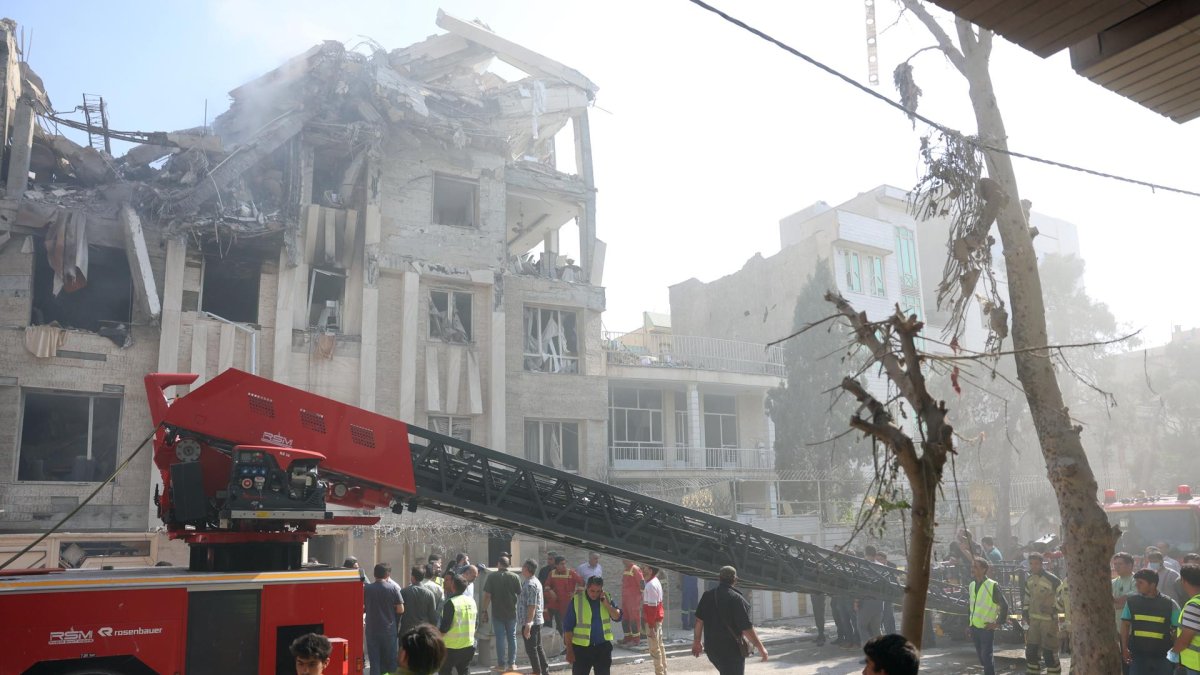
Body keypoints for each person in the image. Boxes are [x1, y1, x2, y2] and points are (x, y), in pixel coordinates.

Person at [692, 566, 768, 675]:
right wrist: (761, 648)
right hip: (731, 651)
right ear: (735, 579)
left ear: (719, 578)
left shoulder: (707, 596)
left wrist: (697, 642)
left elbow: (699, 622)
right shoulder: (737, 599)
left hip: (712, 649)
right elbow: (746, 628)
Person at [1120, 567, 1179, 675]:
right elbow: (1125, 625)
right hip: (1138, 657)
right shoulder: (1131, 602)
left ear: (1152, 584)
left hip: (1163, 657)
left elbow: (1177, 630)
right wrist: (1124, 648)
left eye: (1141, 582)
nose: (1137, 585)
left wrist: (1176, 653)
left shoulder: (1170, 604)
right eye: (1136, 582)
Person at [564, 576, 622, 675]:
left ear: (602, 589)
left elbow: (617, 617)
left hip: (602, 648)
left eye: (598, 591)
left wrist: (607, 604)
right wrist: (569, 650)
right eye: (592, 591)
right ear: (587, 587)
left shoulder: (606, 597)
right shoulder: (577, 600)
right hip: (581, 650)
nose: (595, 594)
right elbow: (568, 628)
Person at [1022, 551, 1062, 675]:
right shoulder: (1029, 579)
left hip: (1049, 622)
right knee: (1031, 652)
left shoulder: (1053, 580)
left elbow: (1062, 597)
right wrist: (1025, 613)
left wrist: (1054, 610)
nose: (1033, 566)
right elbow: (1027, 598)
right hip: (1034, 622)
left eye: (1036, 564)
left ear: (1042, 564)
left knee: (1049, 653)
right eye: (1031, 564)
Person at [968, 556, 1009, 675]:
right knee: (982, 657)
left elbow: (1004, 605)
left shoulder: (992, 585)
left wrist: (998, 623)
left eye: (975, 567)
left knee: (986, 656)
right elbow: (970, 606)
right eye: (972, 566)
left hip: (986, 628)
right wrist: (969, 624)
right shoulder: (971, 585)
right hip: (974, 626)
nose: (972, 569)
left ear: (984, 569)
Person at [482, 555, 522, 672]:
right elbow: (520, 594)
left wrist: (484, 610)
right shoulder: (515, 577)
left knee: (500, 638)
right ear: (508, 565)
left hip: (497, 613)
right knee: (512, 637)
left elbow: (487, 596)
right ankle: (512, 664)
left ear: (498, 564)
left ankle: (501, 664)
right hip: (511, 613)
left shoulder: (492, 577)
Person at [365, 563, 404, 675]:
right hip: (388, 630)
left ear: (374, 574)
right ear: (387, 574)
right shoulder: (393, 588)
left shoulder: (367, 589)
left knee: (374, 661)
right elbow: (401, 609)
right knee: (390, 661)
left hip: (372, 630)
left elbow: (362, 607)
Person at [438, 573, 477, 675]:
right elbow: (476, 624)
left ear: (453, 586)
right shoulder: (471, 601)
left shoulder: (450, 603)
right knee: (464, 671)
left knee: (444, 671)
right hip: (468, 645)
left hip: (451, 648)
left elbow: (444, 628)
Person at [517, 558, 551, 675]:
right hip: (535, 621)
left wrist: (528, 624)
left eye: (523, 566)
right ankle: (544, 670)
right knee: (538, 647)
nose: (522, 568)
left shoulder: (531, 584)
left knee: (532, 649)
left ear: (528, 569)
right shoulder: (532, 581)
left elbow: (532, 605)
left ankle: (537, 672)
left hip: (532, 622)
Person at [546, 555, 585, 636]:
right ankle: (562, 643)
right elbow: (546, 586)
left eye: (564, 563)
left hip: (568, 604)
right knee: (559, 625)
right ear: (556, 565)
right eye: (561, 564)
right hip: (556, 604)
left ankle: (568, 644)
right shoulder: (551, 573)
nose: (564, 566)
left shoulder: (571, 573)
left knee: (567, 625)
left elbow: (582, 583)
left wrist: (575, 593)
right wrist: (550, 591)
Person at [1172, 563, 1200, 674]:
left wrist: (1173, 653)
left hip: (1196, 666)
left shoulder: (1194, 605)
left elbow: (1185, 640)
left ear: (1183, 581)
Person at [1114, 551, 1138, 674]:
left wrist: (1118, 602)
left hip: (1133, 631)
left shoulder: (1137, 581)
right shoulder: (1114, 582)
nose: (1116, 567)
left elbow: (1130, 602)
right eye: (1115, 564)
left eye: (1120, 564)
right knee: (1122, 665)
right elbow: (1111, 603)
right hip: (1117, 631)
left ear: (1130, 565)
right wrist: (1120, 603)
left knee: (1132, 665)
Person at [401, 565, 441, 636]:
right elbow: (433, 617)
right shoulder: (429, 594)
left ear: (412, 577)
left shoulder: (404, 592)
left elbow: (399, 612)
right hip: (423, 631)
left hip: (406, 631)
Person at [643, 565, 667, 675]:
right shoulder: (655, 581)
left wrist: (651, 627)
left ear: (651, 571)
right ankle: (664, 671)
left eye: (645, 569)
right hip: (657, 621)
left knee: (654, 649)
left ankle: (659, 672)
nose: (643, 571)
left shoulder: (650, 585)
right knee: (660, 646)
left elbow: (652, 608)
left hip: (653, 622)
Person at [620, 559, 645, 646]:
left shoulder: (635, 569)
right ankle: (627, 637)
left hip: (634, 600)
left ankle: (636, 640)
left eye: (624, 560)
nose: (622, 561)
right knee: (625, 618)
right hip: (626, 599)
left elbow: (642, 584)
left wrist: (640, 597)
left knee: (634, 619)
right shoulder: (626, 569)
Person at [875, 550, 898, 635]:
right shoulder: (875, 568)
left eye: (880, 559)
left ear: (885, 560)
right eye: (877, 560)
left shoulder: (891, 567)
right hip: (878, 597)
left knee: (888, 618)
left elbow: (894, 580)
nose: (878, 561)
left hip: (888, 597)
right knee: (878, 620)